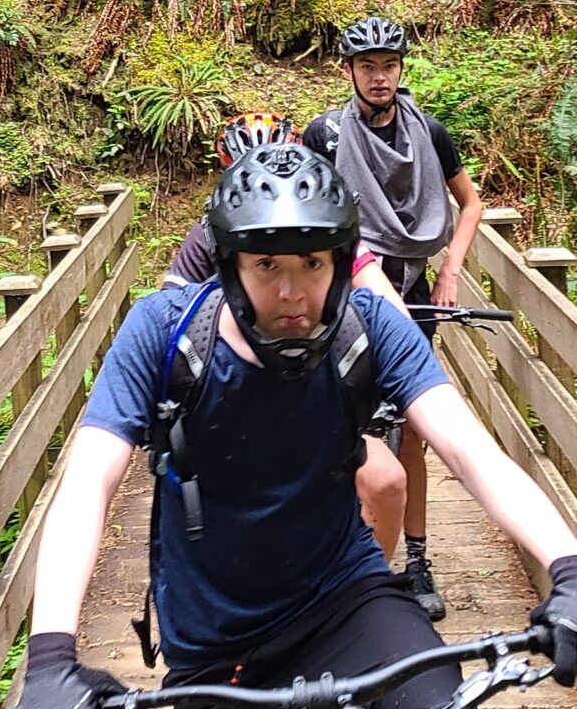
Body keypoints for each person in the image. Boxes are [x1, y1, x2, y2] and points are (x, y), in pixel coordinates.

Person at [10, 144, 577, 709]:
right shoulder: (165, 334)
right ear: (229, 262)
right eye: (267, 264)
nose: (291, 292)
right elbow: (87, 483)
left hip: (345, 603)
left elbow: (472, 452)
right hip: (219, 645)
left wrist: (573, 569)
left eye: (311, 263)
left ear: (341, 260)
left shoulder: (370, 325)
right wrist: (53, 654)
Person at [160, 113, 409, 556]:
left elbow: (379, 291)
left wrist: (397, 345)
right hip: (235, 394)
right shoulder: (207, 238)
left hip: (321, 382)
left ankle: (374, 587)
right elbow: (169, 311)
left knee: (386, 481)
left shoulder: (323, 228)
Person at [303, 16, 483, 621]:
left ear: (401, 70)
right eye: (367, 67)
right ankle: (343, 559)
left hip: (414, 287)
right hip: (349, 294)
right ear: (349, 71)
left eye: (389, 66)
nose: (380, 78)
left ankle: (419, 561)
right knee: (341, 421)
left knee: (412, 427)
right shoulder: (325, 135)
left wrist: (452, 268)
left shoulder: (428, 132)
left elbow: (470, 201)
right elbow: (309, 211)